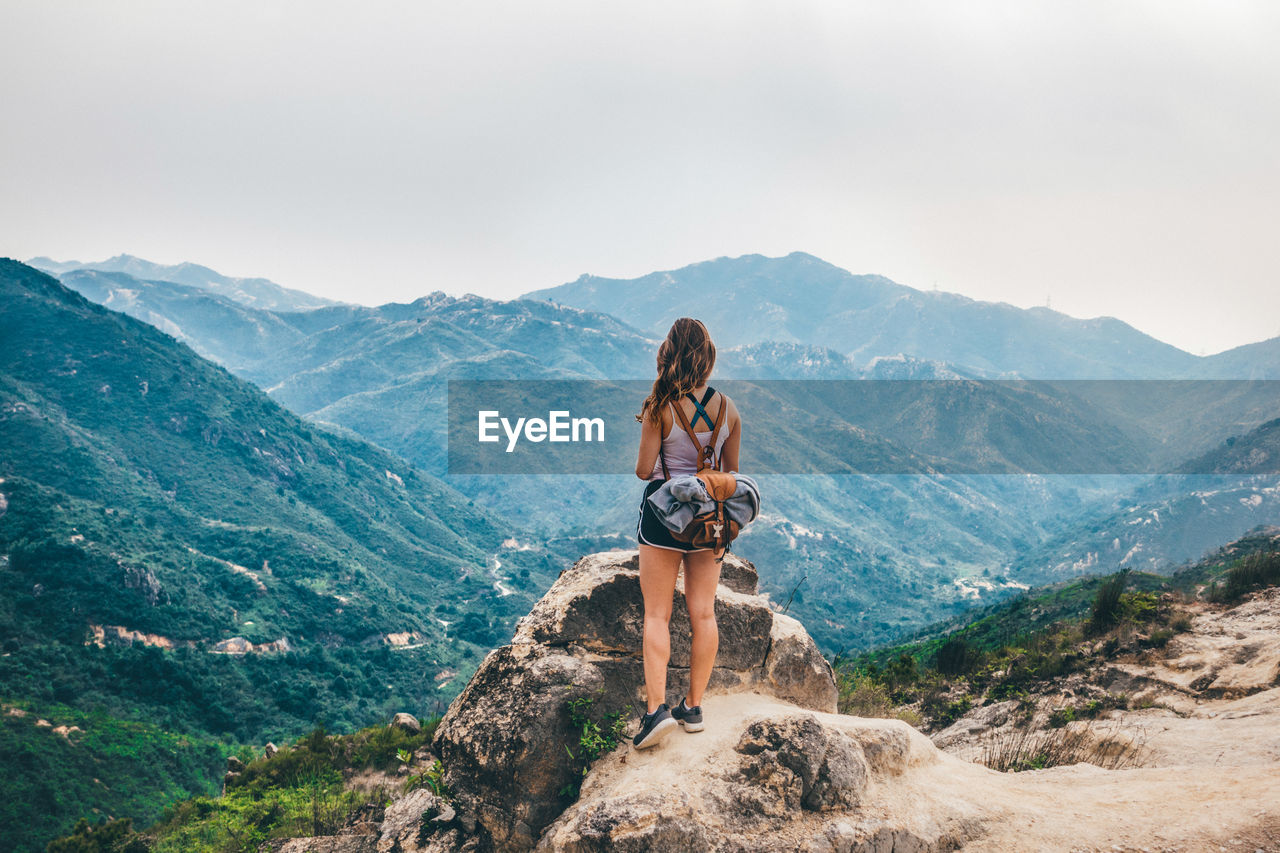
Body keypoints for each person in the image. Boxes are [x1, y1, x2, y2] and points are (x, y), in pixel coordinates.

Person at [631, 317, 741, 749]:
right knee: (704, 613)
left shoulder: (659, 406)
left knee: (657, 614)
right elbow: (730, 473)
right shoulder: (729, 408)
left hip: (664, 515)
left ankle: (656, 711)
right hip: (709, 519)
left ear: (668, 354)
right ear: (708, 356)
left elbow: (644, 471)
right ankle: (693, 707)